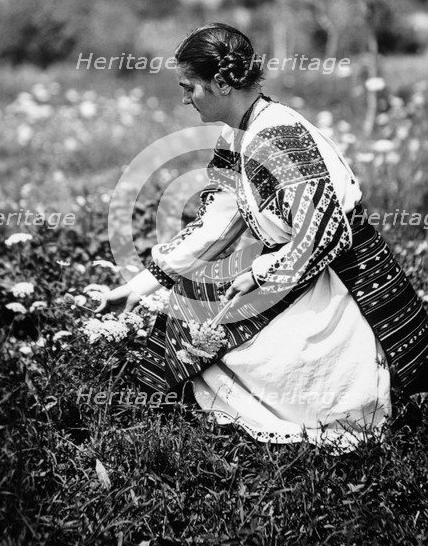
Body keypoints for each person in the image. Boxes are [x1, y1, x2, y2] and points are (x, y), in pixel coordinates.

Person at [97, 23, 427, 448]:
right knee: (194, 302)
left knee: (226, 333)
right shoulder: (237, 133)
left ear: (220, 83)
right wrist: (139, 287)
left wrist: (260, 271)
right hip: (294, 265)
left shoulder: (280, 137)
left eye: (189, 87)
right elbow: (216, 223)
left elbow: (327, 233)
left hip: (340, 279)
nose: (183, 99)